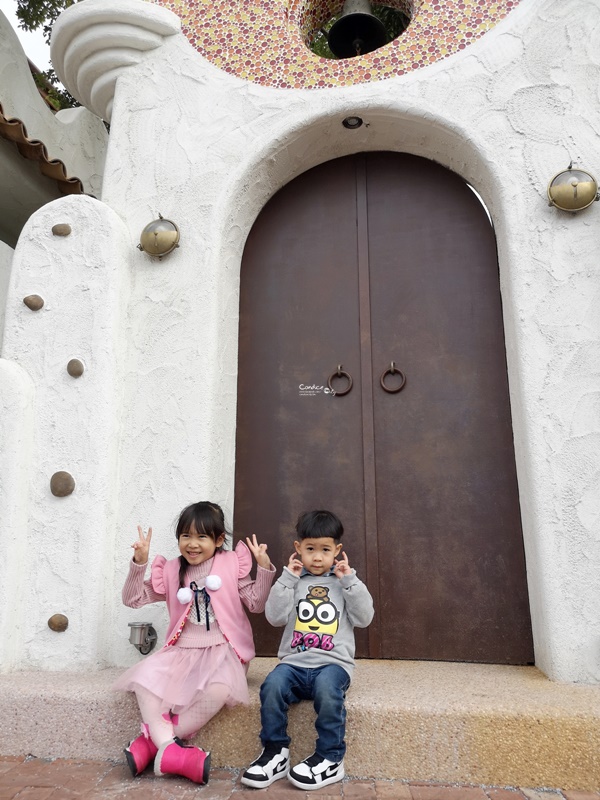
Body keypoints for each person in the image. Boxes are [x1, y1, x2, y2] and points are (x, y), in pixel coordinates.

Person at [113, 501, 275, 785]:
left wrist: (263, 570)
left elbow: (256, 604)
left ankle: (154, 743)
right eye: (186, 536)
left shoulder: (231, 563)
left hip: (224, 650)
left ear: (219, 539)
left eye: (202, 537)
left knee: (220, 689)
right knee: (144, 680)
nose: (193, 544)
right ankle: (171, 750)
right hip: (182, 650)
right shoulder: (172, 570)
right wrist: (139, 563)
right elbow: (132, 599)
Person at [242, 509, 374, 791]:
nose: (317, 557)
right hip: (294, 664)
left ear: (337, 550)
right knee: (272, 685)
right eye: (310, 549)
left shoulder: (346, 582)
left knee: (328, 690)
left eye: (325, 550)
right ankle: (275, 752)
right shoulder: (291, 581)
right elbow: (275, 617)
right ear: (298, 548)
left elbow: (364, 619)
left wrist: (349, 581)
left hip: (333, 666)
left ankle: (330, 757)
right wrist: (287, 578)